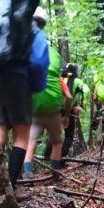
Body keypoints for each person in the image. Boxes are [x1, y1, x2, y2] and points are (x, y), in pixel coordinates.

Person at [0, 6, 49, 204]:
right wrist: (37, 87)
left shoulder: (7, 27)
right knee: (22, 136)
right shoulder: (36, 34)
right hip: (19, 83)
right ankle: (9, 189)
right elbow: (39, 63)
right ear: (40, 21)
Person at [23, 45, 72, 180]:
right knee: (56, 142)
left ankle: (27, 173)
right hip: (54, 114)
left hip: (35, 114)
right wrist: (66, 115)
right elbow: (69, 97)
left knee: (31, 142)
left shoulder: (31, 76)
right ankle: (55, 174)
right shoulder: (57, 78)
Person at [60, 63, 89, 157]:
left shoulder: (57, 80)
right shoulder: (77, 81)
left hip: (53, 109)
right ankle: (60, 159)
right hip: (69, 110)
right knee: (69, 135)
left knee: (54, 132)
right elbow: (86, 91)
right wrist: (81, 106)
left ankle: (48, 155)